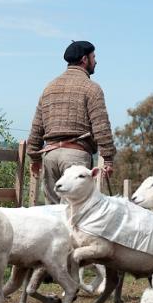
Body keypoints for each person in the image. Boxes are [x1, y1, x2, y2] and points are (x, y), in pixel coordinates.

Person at [27, 40, 116, 204]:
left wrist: (34, 157)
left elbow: (37, 126)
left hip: (50, 157)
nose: (95, 61)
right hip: (75, 157)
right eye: (93, 57)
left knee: (52, 213)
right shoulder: (91, 88)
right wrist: (108, 159)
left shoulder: (49, 87)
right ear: (84, 59)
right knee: (75, 211)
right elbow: (101, 127)